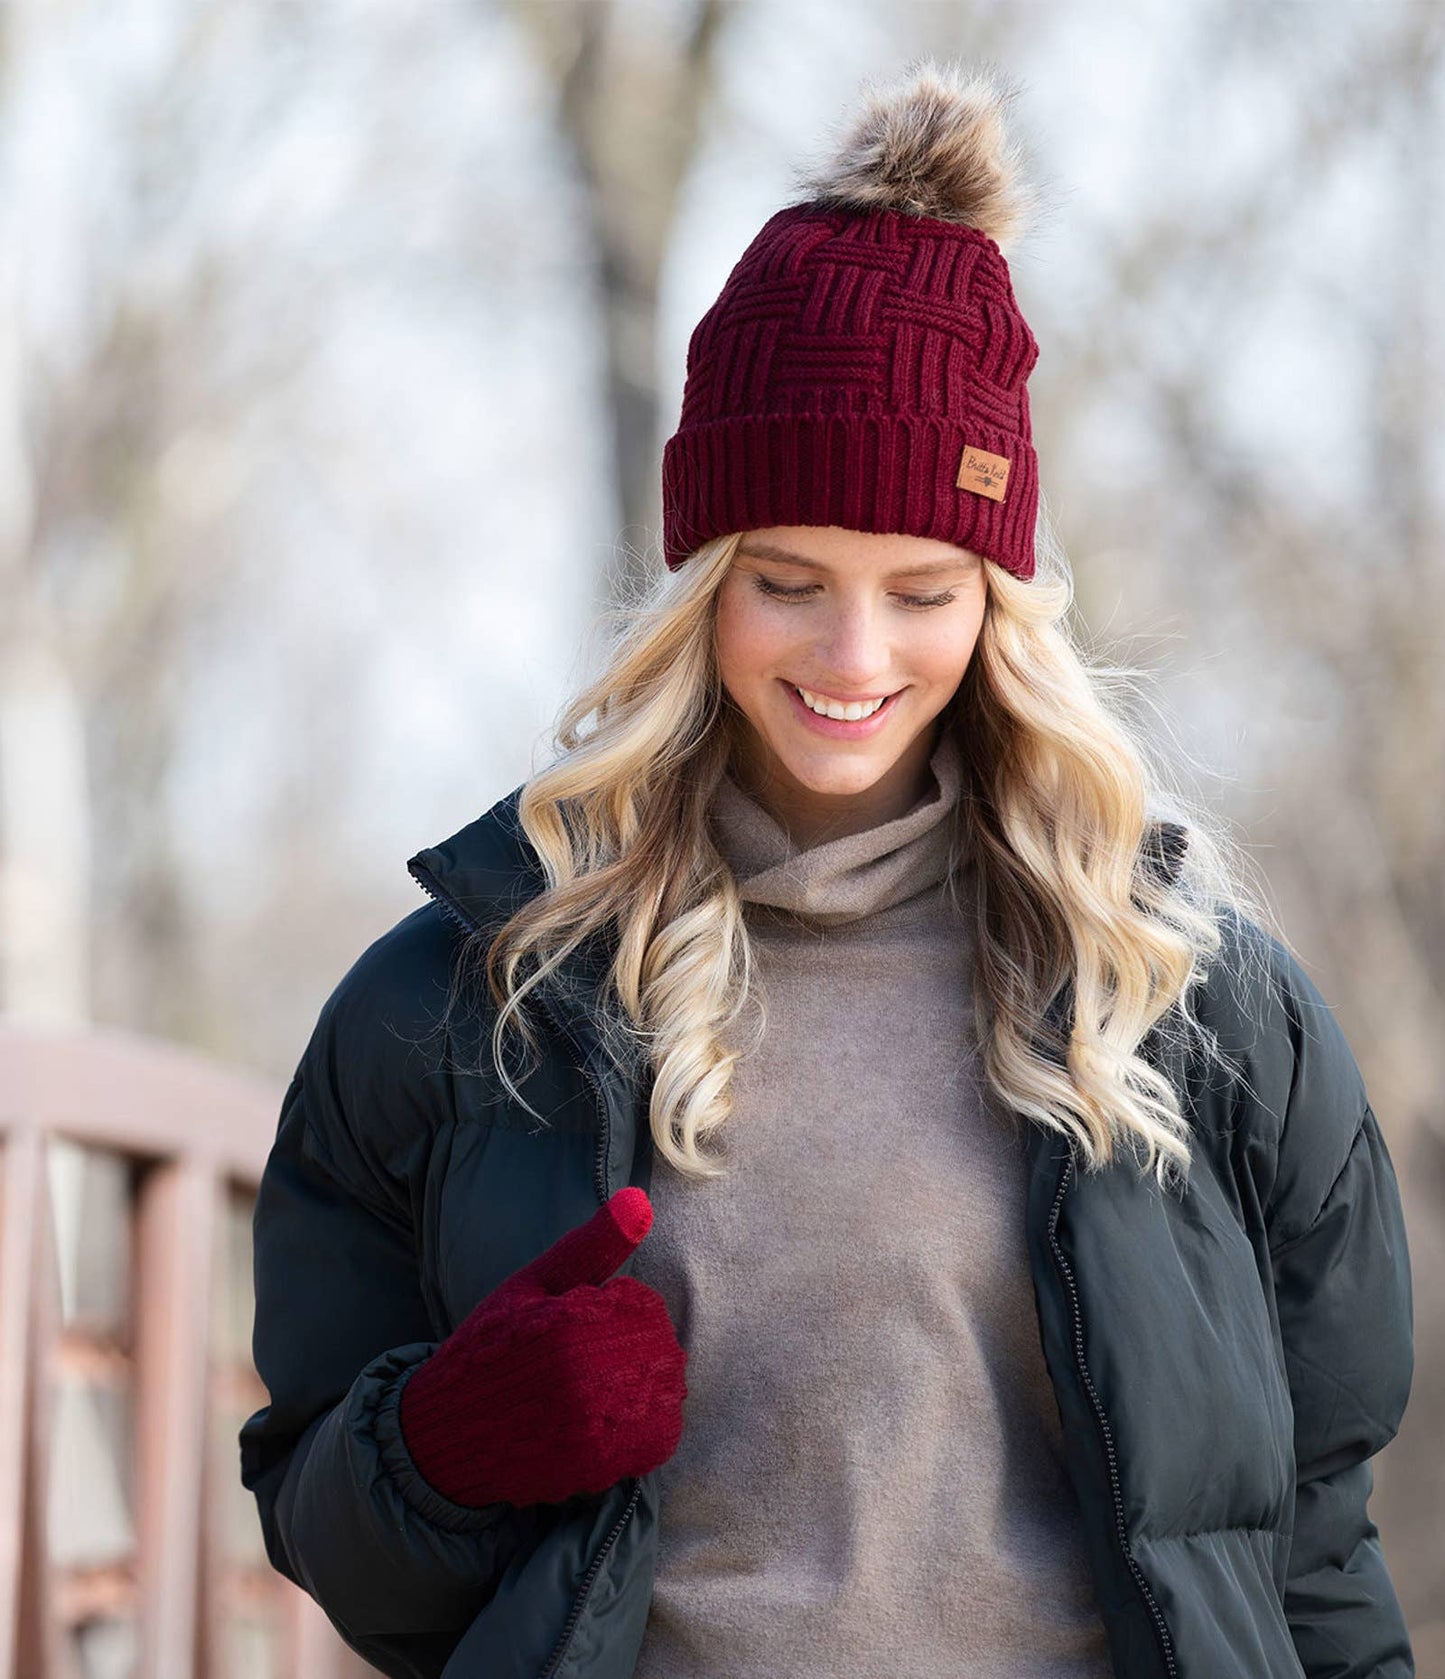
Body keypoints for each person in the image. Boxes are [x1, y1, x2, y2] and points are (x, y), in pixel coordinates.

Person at [239, 57, 1416, 1679]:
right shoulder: (466, 1003)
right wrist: (443, 1451)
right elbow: (319, 1520)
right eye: (787, 579)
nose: (852, 654)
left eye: (922, 589)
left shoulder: (1195, 1004)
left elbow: (1309, 1530)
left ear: (1001, 608)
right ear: (700, 589)